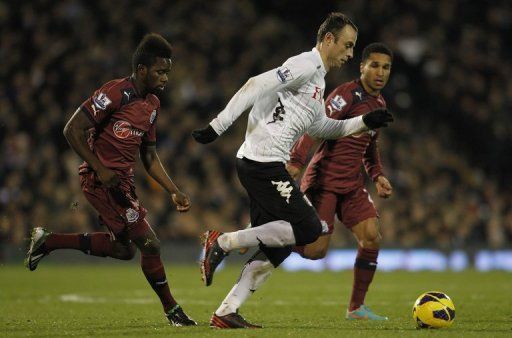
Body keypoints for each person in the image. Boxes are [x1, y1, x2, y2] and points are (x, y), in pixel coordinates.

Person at [192, 13, 393, 328]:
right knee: (310, 229)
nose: (351, 54)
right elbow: (255, 84)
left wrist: (365, 122)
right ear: (328, 40)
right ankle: (221, 242)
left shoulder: (317, 82)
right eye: (348, 45)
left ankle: (225, 312)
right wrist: (217, 126)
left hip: (259, 163)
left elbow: (324, 127)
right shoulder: (305, 65)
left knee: (280, 246)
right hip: (263, 163)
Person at [24, 33, 197, 327]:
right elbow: (72, 130)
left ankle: (49, 241)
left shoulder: (152, 104)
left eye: (168, 71)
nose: (166, 77)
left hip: (122, 183)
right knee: (150, 244)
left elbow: (150, 157)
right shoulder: (116, 92)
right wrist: (100, 169)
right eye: (160, 71)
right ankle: (173, 311)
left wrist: (174, 190)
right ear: (142, 69)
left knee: (124, 250)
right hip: (101, 181)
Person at [287, 42, 394, 321]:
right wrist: (297, 162)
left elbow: (370, 147)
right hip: (324, 181)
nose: (380, 72)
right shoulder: (346, 95)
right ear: (362, 67)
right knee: (315, 252)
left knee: (371, 236)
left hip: (351, 184)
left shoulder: (380, 103)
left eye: (386, 67)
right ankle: (269, 234)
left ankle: (356, 308)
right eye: (375, 65)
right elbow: (314, 127)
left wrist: (378, 175)